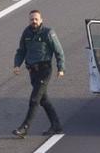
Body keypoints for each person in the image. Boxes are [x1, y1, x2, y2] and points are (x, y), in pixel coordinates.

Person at [12, 9, 65, 138]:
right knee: (43, 100)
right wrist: (17, 65)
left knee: (35, 99)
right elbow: (21, 50)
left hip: (44, 70)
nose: (34, 21)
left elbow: (59, 51)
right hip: (32, 72)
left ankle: (24, 128)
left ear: (41, 20)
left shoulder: (48, 33)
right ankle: (56, 125)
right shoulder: (27, 32)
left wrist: (61, 68)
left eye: (36, 19)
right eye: (32, 19)